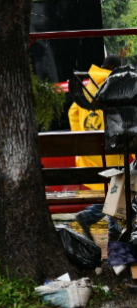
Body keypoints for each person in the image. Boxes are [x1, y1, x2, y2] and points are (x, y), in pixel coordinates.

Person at [70, 55, 124, 242]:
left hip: (90, 160)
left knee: (115, 193)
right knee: (119, 189)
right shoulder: (117, 88)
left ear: (102, 67)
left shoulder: (88, 87)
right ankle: (114, 238)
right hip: (112, 158)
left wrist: (82, 142)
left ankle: (90, 217)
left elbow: (73, 111)